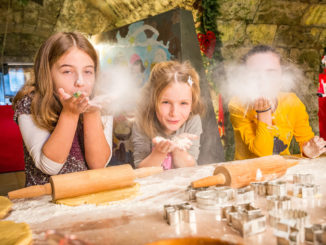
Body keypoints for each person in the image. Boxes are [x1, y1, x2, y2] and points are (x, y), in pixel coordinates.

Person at [13, 32, 113, 186]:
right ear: (47, 73)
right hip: (45, 201)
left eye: (87, 71)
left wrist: (91, 113)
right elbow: (49, 166)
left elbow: (98, 165)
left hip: (88, 195)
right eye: (67, 71)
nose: (80, 82)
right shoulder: (30, 104)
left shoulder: (100, 103)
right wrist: (70, 114)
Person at [228, 45, 326, 160]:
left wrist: (308, 152)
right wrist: (264, 112)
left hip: (282, 172)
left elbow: (306, 142)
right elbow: (263, 154)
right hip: (247, 174)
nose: (263, 80)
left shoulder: (292, 102)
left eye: (271, 73)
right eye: (255, 74)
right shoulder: (237, 105)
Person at [132, 60, 204, 169]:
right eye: (166, 102)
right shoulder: (142, 121)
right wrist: (160, 152)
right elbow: (140, 169)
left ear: (192, 104)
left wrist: (176, 148)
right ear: (152, 101)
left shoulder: (193, 120)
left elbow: (190, 166)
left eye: (183, 103)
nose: (174, 113)